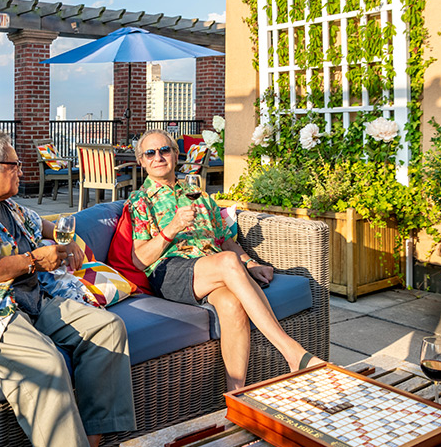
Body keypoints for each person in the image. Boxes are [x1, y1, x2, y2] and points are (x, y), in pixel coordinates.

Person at [0, 129, 136, 447]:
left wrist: (69, 241)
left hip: (33, 300)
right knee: (46, 362)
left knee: (107, 328)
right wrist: (35, 260)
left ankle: (92, 439)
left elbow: (45, 225)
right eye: (15, 165)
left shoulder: (11, 207)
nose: (23, 171)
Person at [127, 129, 323, 391]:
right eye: (150, 153)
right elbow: (139, 259)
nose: (158, 157)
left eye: (164, 150)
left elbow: (225, 241)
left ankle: (235, 395)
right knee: (229, 261)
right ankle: (292, 353)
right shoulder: (140, 201)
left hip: (209, 266)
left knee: (232, 304)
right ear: (141, 161)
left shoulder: (198, 193)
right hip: (170, 272)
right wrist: (171, 228)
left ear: (176, 155)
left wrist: (250, 263)